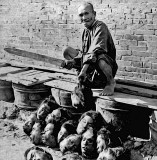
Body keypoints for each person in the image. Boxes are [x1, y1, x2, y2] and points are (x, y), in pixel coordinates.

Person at [62, 2, 118, 96]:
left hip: (104, 68)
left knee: (100, 56)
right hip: (91, 67)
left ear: (94, 14)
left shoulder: (101, 26)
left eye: (86, 13)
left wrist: (83, 70)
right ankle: (84, 79)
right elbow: (85, 54)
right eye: (81, 15)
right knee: (67, 50)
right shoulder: (85, 31)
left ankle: (110, 82)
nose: (84, 17)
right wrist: (73, 62)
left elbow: (94, 51)